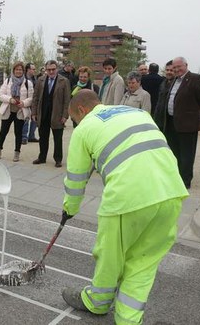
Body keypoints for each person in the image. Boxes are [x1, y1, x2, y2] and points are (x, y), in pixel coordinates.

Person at [60, 89, 189, 325]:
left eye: (74, 119)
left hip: (128, 198)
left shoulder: (85, 127)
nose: (75, 124)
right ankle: (129, 320)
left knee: (111, 257)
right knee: (143, 261)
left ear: (81, 110)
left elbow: (76, 179)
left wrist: (69, 208)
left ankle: (97, 302)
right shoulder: (137, 113)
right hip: (171, 192)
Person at [164, 57, 200, 189]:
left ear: (186, 65)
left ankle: (185, 181)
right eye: (175, 67)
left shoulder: (196, 79)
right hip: (172, 122)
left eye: (179, 67)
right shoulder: (173, 81)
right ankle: (176, 177)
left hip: (187, 125)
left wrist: (198, 119)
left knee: (187, 154)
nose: (177, 69)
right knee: (174, 152)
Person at [31, 60, 71, 167]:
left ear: (57, 69)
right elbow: (35, 98)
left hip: (57, 115)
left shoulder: (64, 81)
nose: (51, 71)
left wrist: (65, 115)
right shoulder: (40, 80)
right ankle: (42, 157)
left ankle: (58, 159)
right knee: (43, 138)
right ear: (46, 70)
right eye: (49, 69)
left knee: (58, 139)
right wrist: (34, 113)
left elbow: (67, 100)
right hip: (43, 114)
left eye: (53, 69)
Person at [0, 61, 34, 162]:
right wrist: (9, 99)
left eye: (20, 69)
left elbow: (31, 98)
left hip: (20, 111)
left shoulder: (28, 83)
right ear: (13, 70)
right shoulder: (8, 81)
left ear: (23, 71)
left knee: (18, 134)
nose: (18, 71)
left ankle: (17, 153)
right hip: (8, 110)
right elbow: (0, 95)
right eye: (16, 69)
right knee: (3, 132)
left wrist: (24, 103)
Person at [153, 60, 175, 132]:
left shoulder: (176, 85)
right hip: (160, 120)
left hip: (171, 122)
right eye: (167, 70)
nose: (169, 72)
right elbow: (159, 102)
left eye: (171, 70)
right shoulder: (163, 83)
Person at [22, 62, 39, 144]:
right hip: (25, 101)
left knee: (34, 119)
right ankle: (24, 137)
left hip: (34, 101)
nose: (34, 70)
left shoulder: (34, 78)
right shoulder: (23, 78)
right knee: (26, 119)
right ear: (28, 70)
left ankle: (31, 136)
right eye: (33, 69)